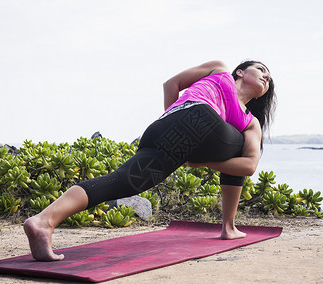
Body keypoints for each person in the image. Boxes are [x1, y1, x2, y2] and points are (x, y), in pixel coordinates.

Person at [24, 60, 276, 261]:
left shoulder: (250, 120)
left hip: (166, 132)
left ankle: (43, 222)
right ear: (240, 72)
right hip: (189, 118)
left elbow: (249, 167)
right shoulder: (220, 70)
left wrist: (199, 160)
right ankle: (228, 226)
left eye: (269, 78)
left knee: (124, 181)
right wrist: (178, 122)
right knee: (238, 147)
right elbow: (172, 83)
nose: (266, 76)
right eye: (261, 69)